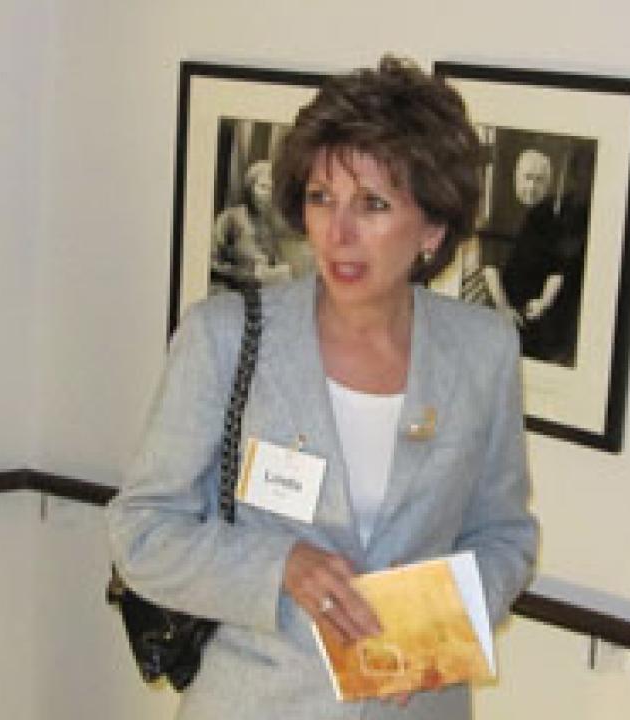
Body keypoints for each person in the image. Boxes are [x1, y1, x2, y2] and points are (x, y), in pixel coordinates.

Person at [107, 57, 538, 719]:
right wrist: (279, 565)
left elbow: (504, 536)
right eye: (320, 198)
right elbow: (142, 534)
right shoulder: (224, 336)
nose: (338, 234)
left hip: (415, 701)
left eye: (372, 205)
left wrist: (431, 636)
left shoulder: (482, 349)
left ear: (431, 229)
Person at [499, 147, 588, 365]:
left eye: (539, 180)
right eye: (528, 178)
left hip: (537, 312)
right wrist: (504, 309)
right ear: (516, 179)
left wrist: (543, 302)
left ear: (547, 185)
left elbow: (557, 271)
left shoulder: (552, 220)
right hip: (502, 308)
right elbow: (490, 268)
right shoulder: (501, 215)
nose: (532, 186)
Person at [210, 159, 300, 286]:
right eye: (263, 187)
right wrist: (247, 276)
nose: (267, 195)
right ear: (250, 187)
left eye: (271, 189)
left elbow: (277, 266)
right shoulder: (230, 218)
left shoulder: (267, 226)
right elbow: (211, 264)